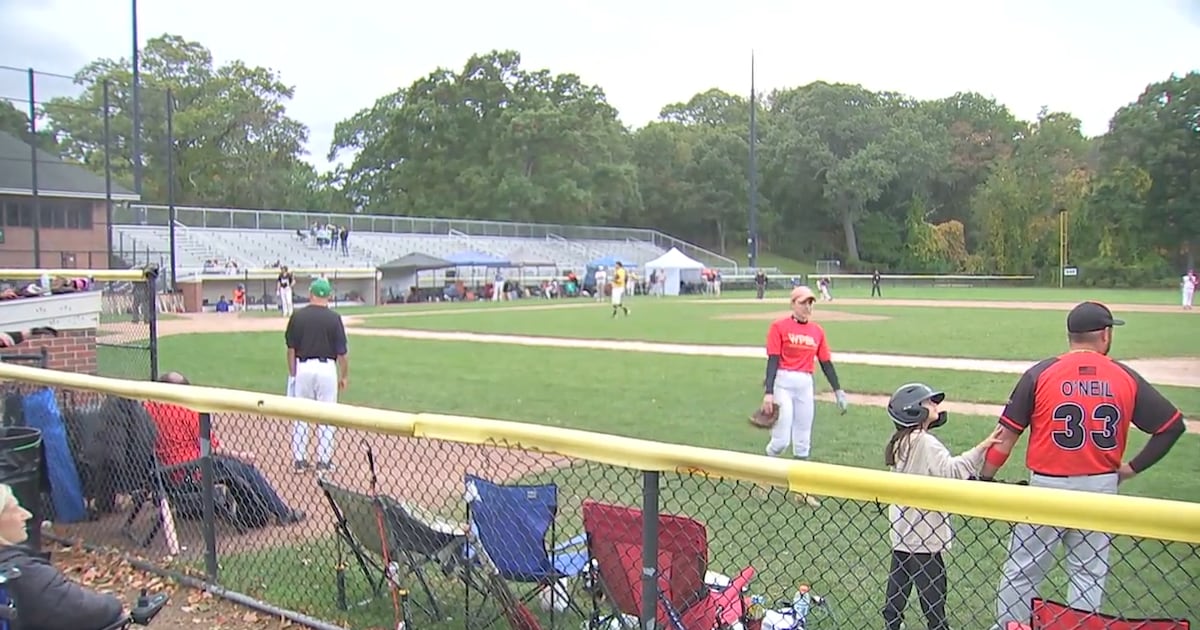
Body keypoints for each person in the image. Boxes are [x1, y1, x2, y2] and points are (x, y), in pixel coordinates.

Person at [982, 301, 1186, 627]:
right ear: (1104, 335)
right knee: (1087, 573)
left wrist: (985, 478)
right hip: (1099, 489)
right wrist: (1130, 469)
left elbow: (1004, 439)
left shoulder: (1040, 373)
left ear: (1070, 336)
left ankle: (1013, 627)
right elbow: (1171, 426)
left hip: (1046, 489)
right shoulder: (1125, 376)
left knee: (1023, 571)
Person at [881, 383, 1003, 630]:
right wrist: (983, 447)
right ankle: (938, 626)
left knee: (900, 580)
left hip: (903, 528)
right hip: (924, 532)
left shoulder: (901, 440)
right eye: (929, 403)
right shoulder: (924, 442)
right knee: (933, 586)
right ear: (914, 411)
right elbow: (952, 472)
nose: (935, 406)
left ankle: (893, 622)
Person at [147, 372, 305, 526]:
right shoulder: (186, 412)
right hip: (194, 470)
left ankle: (251, 511)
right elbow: (212, 448)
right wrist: (240, 455)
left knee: (232, 466)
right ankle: (282, 513)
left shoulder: (149, 408)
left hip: (165, 475)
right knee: (245, 468)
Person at [759, 285, 849, 507]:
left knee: (803, 439)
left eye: (810, 302)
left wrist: (838, 389)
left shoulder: (817, 331)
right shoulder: (779, 327)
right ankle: (762, 477)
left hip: (804, 383)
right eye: (803, 302)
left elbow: (826, 362)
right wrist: (769, 393)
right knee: (780, 441)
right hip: (783, 382)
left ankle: (801, 490)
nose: (808, 307)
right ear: (793, 304)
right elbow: (772, 361)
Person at [0, 483, 125, 630]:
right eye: (14, 508)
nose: (26, 515)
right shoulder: (21, 572)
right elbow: (87, 611)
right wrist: (114, 602)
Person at [286, 277, 349, 472]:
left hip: (303, 367)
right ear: (329, 296)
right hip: (327, 368)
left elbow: (291, 349)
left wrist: (293, 373)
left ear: (310, 294)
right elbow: (342, 354)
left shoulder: (298, 316)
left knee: (301, 415)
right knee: (327, 414)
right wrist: (344, 376)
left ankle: (300, 460)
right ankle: (324, 461)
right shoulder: (334, 318)